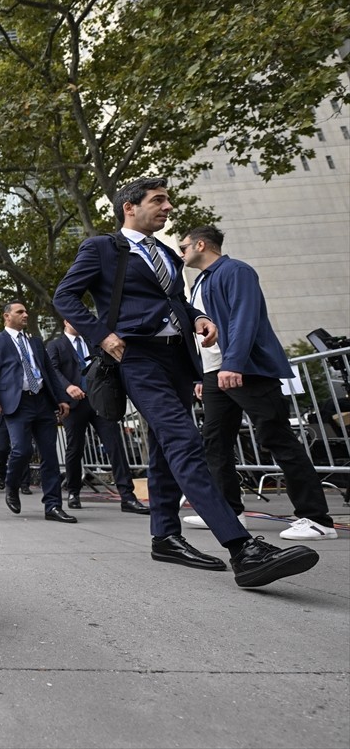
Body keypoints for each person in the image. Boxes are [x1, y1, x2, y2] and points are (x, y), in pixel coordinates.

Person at [54, 177, 318, 586]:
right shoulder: (102, 248)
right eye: (158, 201)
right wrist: (102, 336)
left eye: (167, 201)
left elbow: (175, 300)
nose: (167, 207)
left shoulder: (164, 253)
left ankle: (165, 537)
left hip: (177, 359)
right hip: (135, 357)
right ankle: (241, 548)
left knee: (163, 449)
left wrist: (198, 318)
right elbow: (65, 297)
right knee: (184, 440)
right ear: (129, 207)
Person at [181, 224, 338, 540]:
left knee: (276, 437)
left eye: (183, 247)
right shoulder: (200, 282)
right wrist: (201, 375)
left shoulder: (236, 271)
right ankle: (228, 511)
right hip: (215, 375)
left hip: (246, 370)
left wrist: (234, 363)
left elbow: (244, 318)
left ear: (200, 245)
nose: (181, 253)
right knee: (216, 442)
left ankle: (317, 519)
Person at [0, 302, 76, 523]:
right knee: (21, 450)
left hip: (42, 401)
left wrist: (61, 398)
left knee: (49, 455)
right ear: (7, 316)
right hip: (17, 403)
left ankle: (53, 506)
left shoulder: (35, 341)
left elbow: (49, 371)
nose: (26, 315)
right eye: (20, 312)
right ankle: (12, 485)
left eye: (26, 311)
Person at [46, 320, 150, 515]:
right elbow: (52, 370)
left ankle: (127, 496)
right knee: (74, 448)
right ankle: (73, 491)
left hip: (100, 400)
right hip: (75, 404)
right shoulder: (56, 345)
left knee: (115, 446)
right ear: (65, 322)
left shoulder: (93, 341)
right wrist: (68, 388)